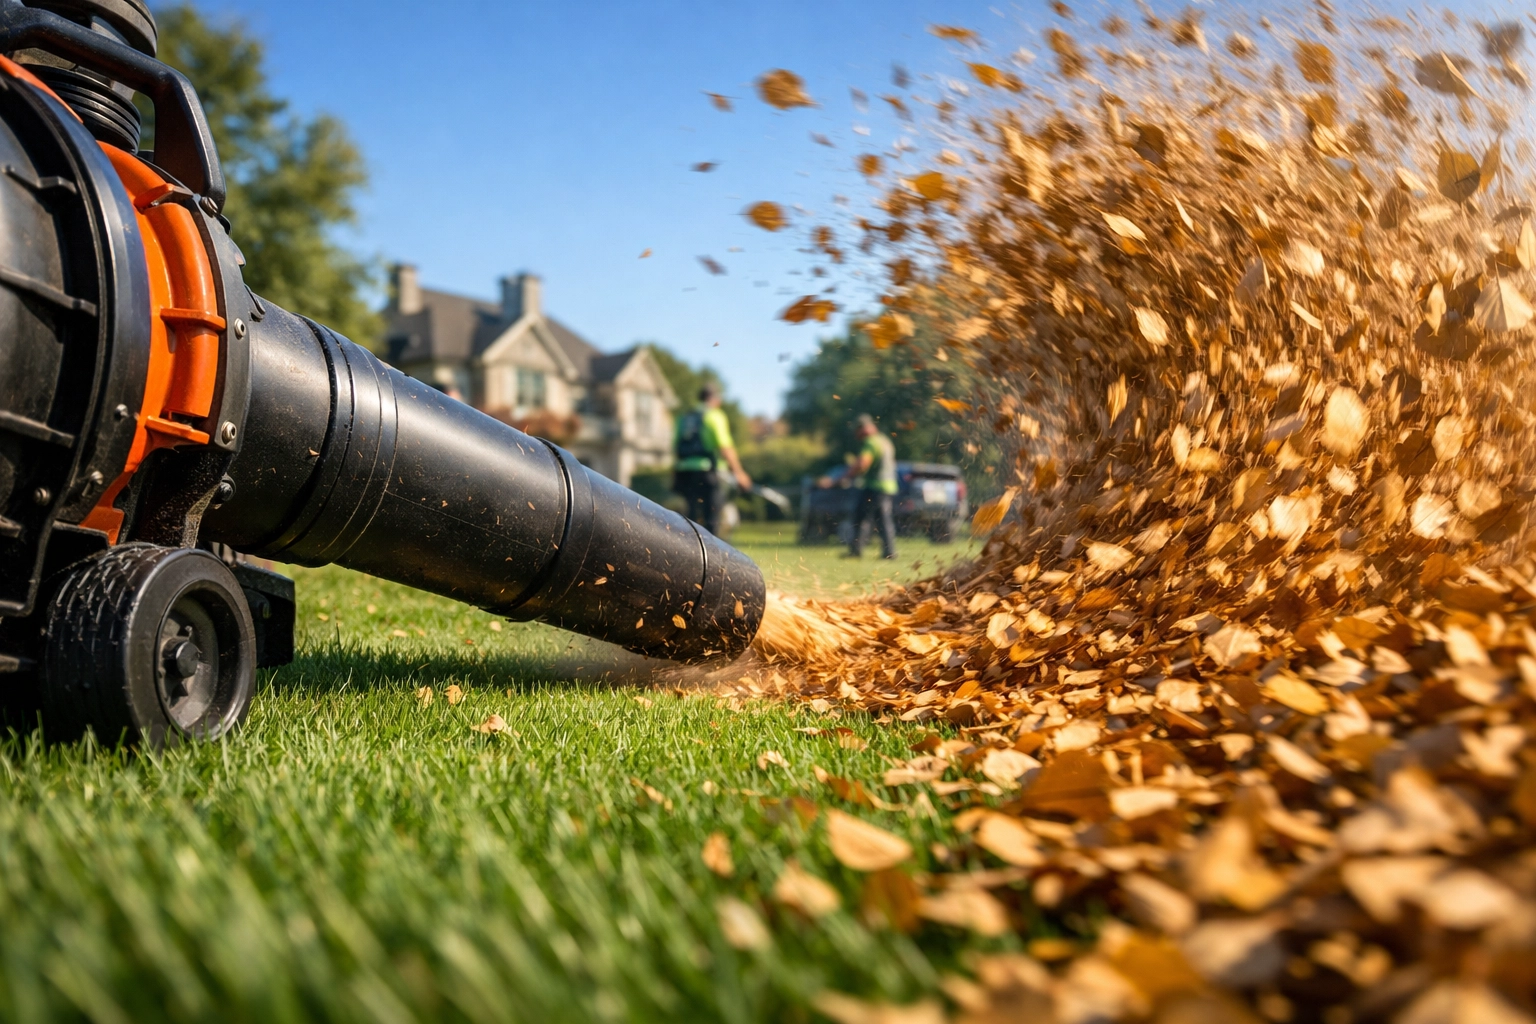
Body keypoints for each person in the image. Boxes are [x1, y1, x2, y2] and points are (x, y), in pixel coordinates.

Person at [673, 383, 751, 536]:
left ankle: (687, 552)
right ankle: (709, 555)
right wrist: (739, 473)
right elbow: (725, 447)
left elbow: (675, 446)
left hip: (684, 473)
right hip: (707, 473)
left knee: (690, 517)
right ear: (714, 398)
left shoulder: (684, 417)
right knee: (712, 517)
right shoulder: (715, 415)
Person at [825, 413, 897, 560]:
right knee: (884, 520)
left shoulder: (870, 442)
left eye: (858, 430)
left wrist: (843, 477)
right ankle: (889, 552)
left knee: (860, 518)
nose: (857, 434)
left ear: (864, 428)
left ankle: (856, 550)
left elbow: (862, 464)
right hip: (888, 486)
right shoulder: (884, 441)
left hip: (874, 486)